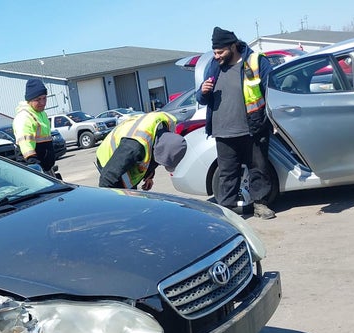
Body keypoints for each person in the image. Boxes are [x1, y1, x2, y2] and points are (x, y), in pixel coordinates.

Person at [198, 26, 276, 219]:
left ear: (233, 47)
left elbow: (273, 90)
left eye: (220, 51)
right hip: (223, 131)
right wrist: (203, 91)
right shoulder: (214, 66)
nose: (216, 56)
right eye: (214, 52)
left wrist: (274, 120)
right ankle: (227, 211)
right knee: (227, 174)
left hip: (253, 127)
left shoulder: (256, 62)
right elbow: (201, 98)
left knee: (259, 168)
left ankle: (260, 205)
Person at [95, 111, 186, 190]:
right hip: (109, 157)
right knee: (123, 193)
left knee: (131, 194)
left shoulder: (164, 130)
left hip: (130, 149)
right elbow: (107, 180)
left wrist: (149, 175)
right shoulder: (134, 147)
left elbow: (154, 155)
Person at [13, 78, 56, 173]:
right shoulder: (24, 117)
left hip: (45, 169)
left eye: (44, 98)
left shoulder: (41, 113)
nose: (43, 103)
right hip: (34, 169)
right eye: (38, 99)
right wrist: (36, 168)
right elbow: (26, 148)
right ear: (29, 100)